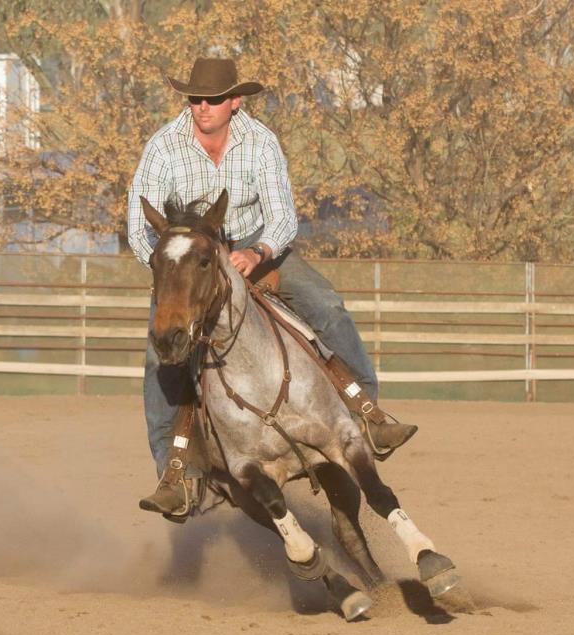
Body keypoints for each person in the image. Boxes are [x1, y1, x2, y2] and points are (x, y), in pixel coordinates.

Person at [126, 57, 416, 520]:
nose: (202, 107)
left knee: (327, 306)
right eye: (196, 98)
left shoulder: (260, 142)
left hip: (256, 251)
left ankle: (368, 415)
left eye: (213, 99)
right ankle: (175, 475)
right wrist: (170, 272)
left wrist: (257, 252)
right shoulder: (163, 146)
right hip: (187, 268)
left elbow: (282, 216)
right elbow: (137, 226)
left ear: (235, 101)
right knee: (159, 354)